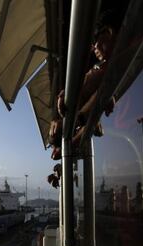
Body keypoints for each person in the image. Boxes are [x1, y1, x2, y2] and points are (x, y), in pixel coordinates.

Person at [50, 9, 123, 160]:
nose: (94, 48)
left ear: (109, 32)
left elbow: (99, 87)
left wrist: (77, 122)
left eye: (96, 41)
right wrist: (64, 98)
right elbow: (89, 82)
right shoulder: (103, 65)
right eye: (92, 44)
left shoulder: (129, 48)